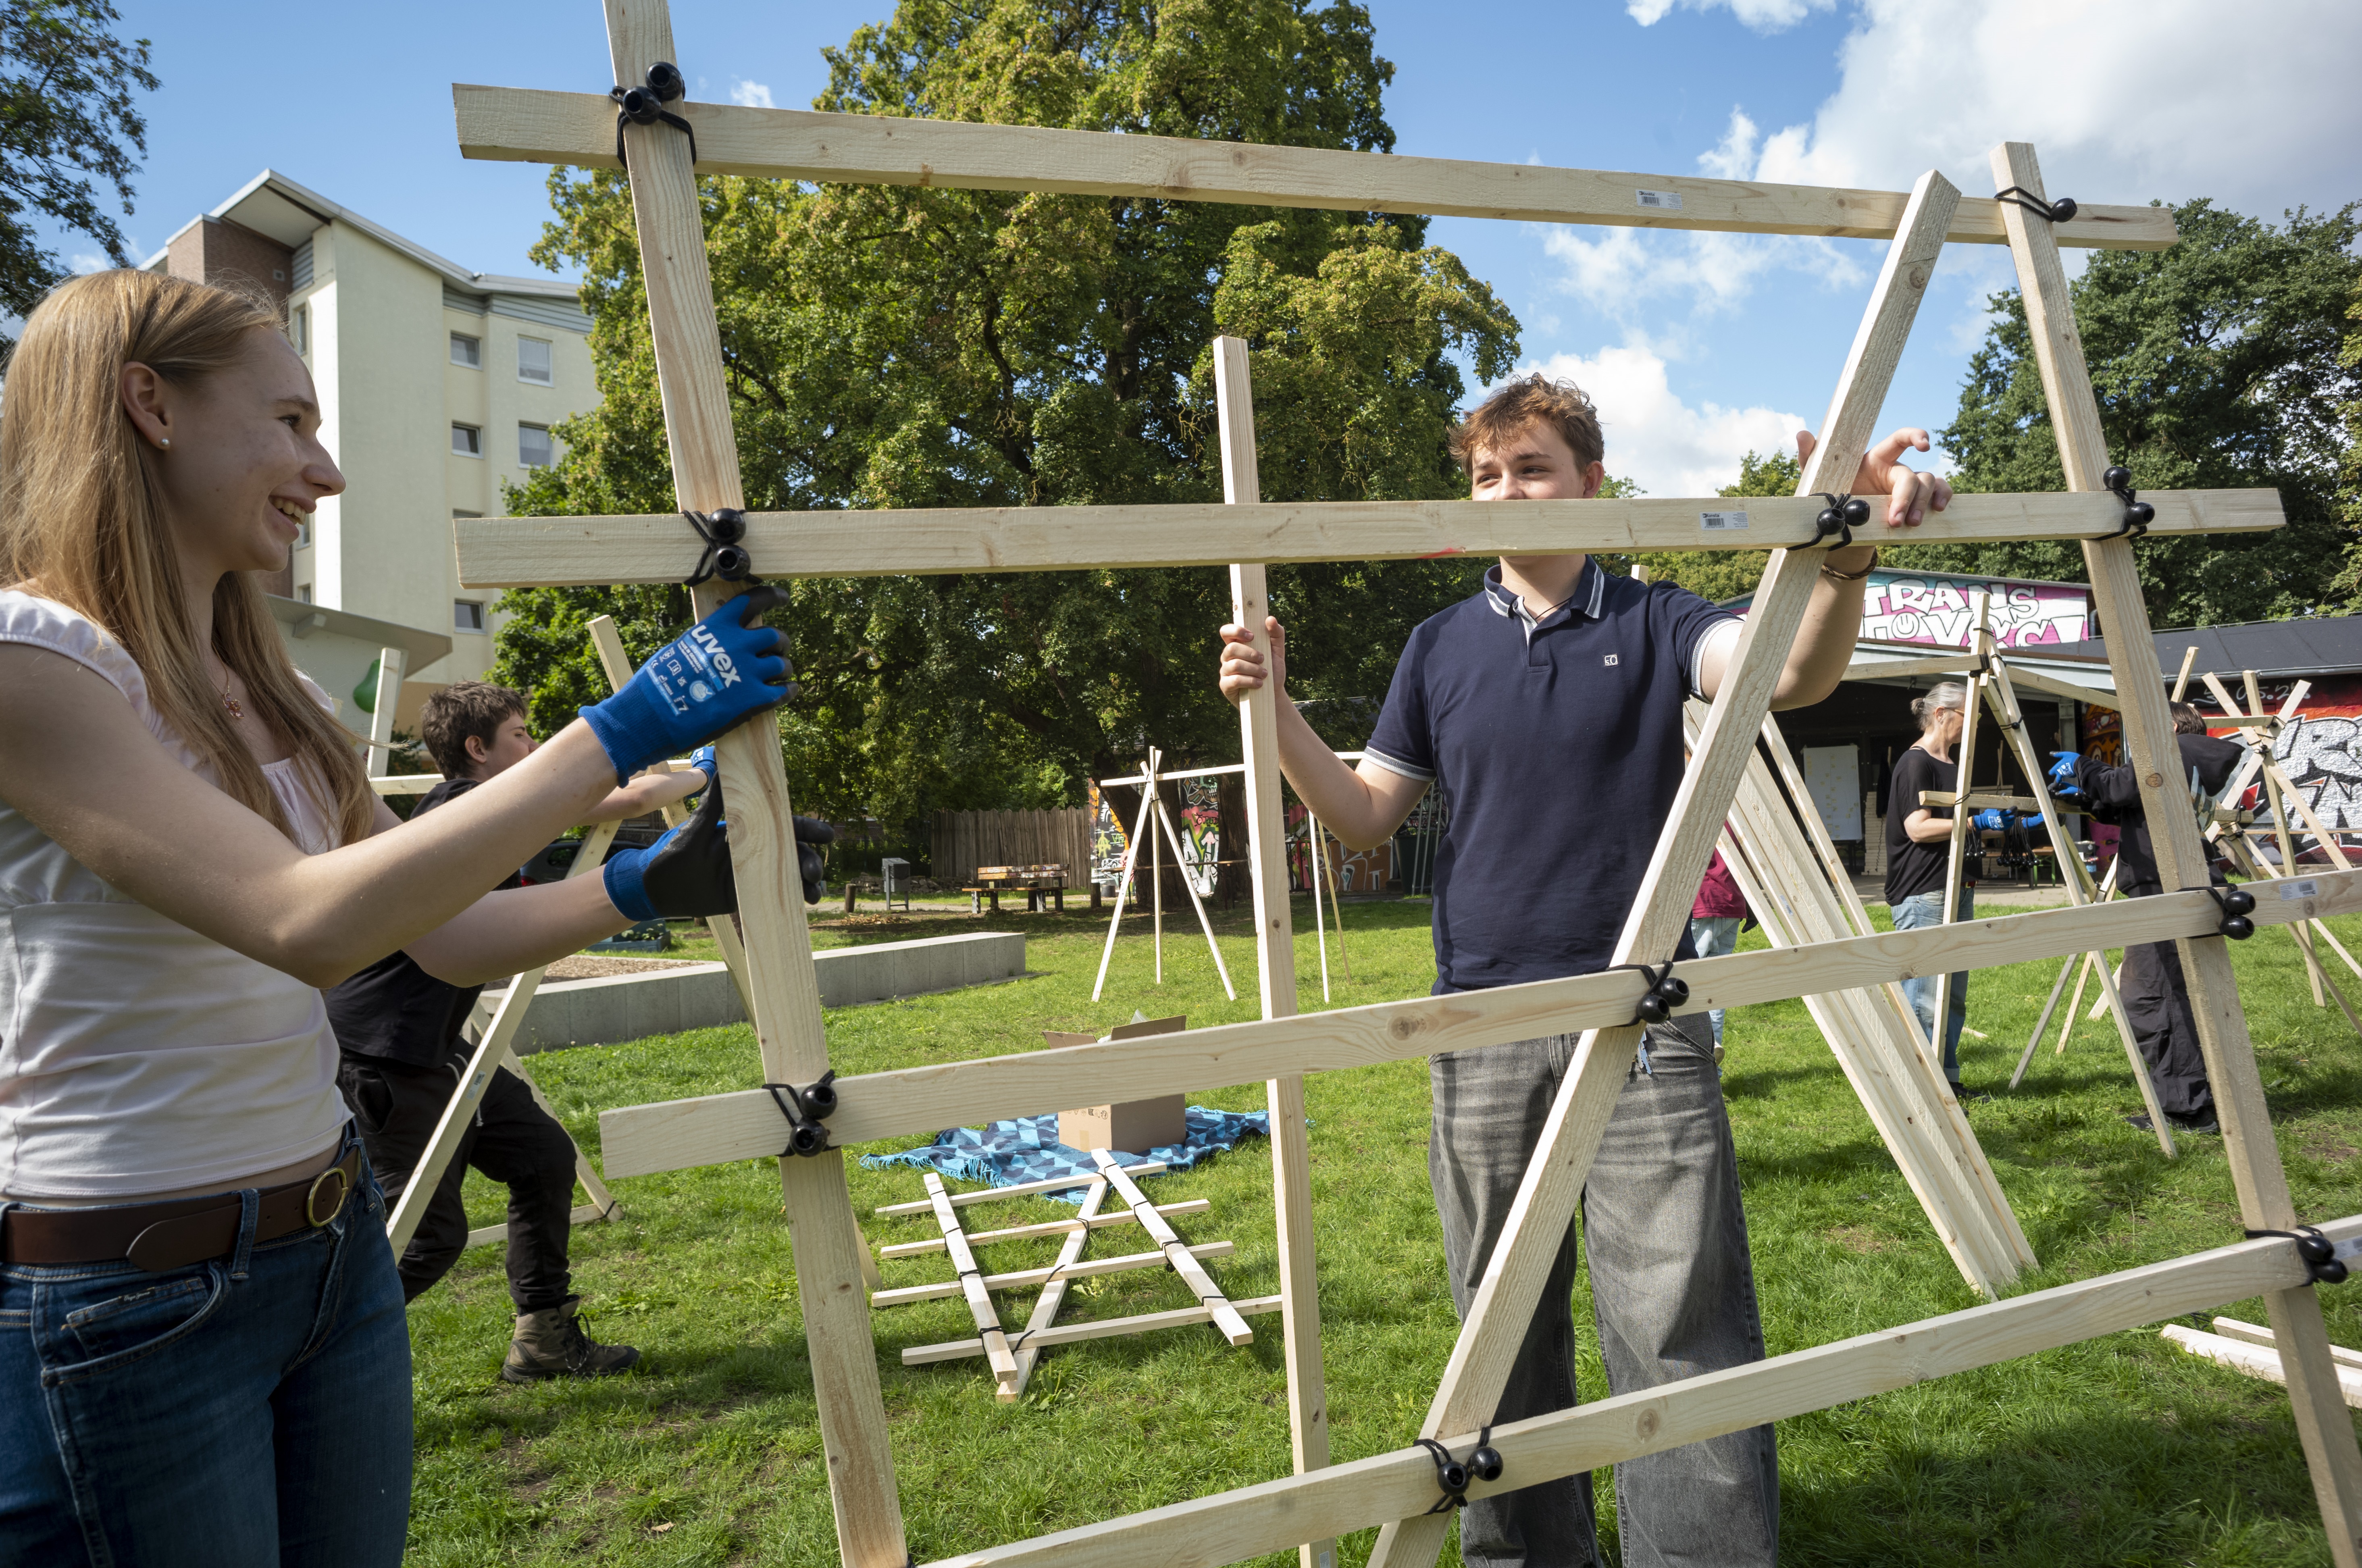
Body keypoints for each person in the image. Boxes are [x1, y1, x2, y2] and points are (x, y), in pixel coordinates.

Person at [0, 269, 793, 1565]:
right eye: (294, 423)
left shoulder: (272, 690)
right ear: (149, 405)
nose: (327, 473)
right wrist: (619, 734)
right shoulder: (32, 661)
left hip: (327, 1255)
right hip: (120, 1299)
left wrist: (637, 887)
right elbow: (301, 923)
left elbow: (439, 931)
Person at [1217, 373, 1949, 1568]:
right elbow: (1361, 815)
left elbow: (1785, 674)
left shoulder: (1657, 619)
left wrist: (1842, 556)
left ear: (1593, 482)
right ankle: (1526, 1556)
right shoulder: (1438, 646)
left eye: (1535, 468)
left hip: (1642, 1020)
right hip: (1482, 1024)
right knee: (1500, 1340)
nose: (1510, 491)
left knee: (1678, 1328)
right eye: (1488, 475)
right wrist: (1279, 706)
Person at [326, 682, 714, 1383]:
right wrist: (706, 771)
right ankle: (307, 1366)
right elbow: (620, 801)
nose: (534, 749)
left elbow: (604, 798)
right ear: (477, 751)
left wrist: (691, 771)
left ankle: (543, 1341)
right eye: (520, 736)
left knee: (541, 1157)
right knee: (421, 1240)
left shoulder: (493, 815)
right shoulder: (460, 810)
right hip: (388, 1052)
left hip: (437, 1045)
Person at [2057, 701, 2243, 1135]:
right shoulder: (2185, 762)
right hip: (2176, 882)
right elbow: (2131, 803)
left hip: (2166, 887)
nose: (2137, 744)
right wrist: (2088, 796)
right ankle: (2201, 1095)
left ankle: (2187, 1108)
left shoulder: (2178, 753)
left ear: (2172, 727)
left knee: (2151, 997)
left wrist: (2085, 768)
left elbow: (2123, 787)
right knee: (2176, 994)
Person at [1884, 682, 1979, 1095]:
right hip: (1924, 890)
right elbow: (1918, 828)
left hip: (1957, 886)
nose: (1971, 725)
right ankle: (1923, 1087)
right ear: (1941, 713)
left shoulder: (1954, 765)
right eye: (1967, 716)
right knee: (1925, 996)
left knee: (1954, 994)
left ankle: (1948, 1080)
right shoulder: (1914, 764)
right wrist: (1977, 823)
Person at [1688, 849, 1748, 1062]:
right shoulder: (1736, 818)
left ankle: (1697, 1060)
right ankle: (1714, 1068)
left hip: (1701, 900)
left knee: (1684, 986)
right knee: (1715, 992)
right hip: (1732, 903)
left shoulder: (1688, 815)